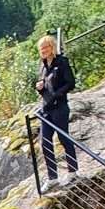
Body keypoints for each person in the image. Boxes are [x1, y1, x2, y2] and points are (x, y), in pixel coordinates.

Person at [36, 35, 78, 188]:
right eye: (42, 48)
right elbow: (46, 88)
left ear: (52, 47)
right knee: (44, 142)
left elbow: (70, 83)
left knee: (64, 138)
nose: (44, 50)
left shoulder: (62, 62)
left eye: (46, 47)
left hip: (60, 107)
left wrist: (57, 94)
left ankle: (72, 172)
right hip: (46, 109)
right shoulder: (42, 66)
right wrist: (40, 88)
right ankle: (52, 177)